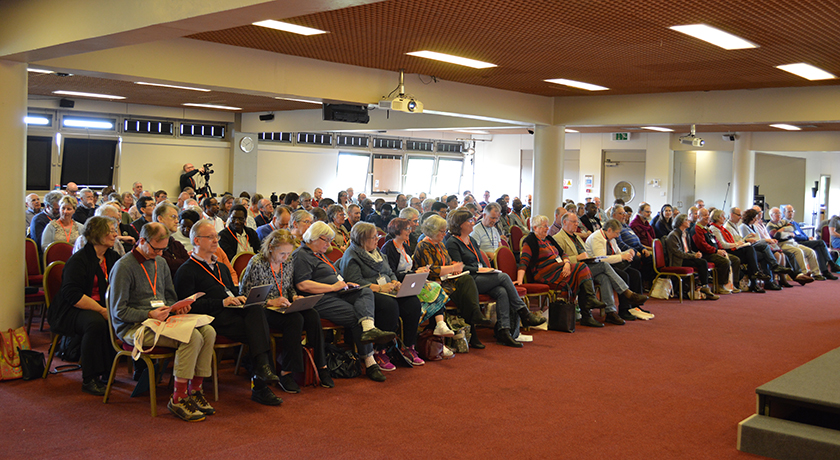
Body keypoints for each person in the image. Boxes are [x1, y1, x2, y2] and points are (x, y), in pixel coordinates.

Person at [109, 222, 217, 422]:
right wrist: (149, 314)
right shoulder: (124, 266)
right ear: (142, 241)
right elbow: (119, 311)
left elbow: (168, 297)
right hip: (134, 327)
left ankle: (195, 390)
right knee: (190, 336)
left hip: (161, 320)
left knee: (208, 331)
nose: (160, 253)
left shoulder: (161, 263)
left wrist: (177, 307)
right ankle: (178, 397)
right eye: (156, 248)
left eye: (163, 249)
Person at [175, 219, 283, 406]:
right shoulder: (186, 270)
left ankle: (261, 374)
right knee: (257, 331)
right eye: (210, 237)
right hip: (210, 318)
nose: (216, 240)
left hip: (230, 313)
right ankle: (260, 380)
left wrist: (238, 298)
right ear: (197, 241)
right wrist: (222, 302)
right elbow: (188, 306)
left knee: (256, 309)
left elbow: (229, 291)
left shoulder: (221, 267)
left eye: (216, 236)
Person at [293, 221, 395, 382]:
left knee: (365, 290)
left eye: (329, 240)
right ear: (313, 237)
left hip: (337, 291)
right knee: (357, 316)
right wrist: (333, 287)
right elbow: (302, 284)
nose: (329, 244)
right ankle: (370, 362)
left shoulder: (318, 254)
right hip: (320, 298)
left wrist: (344, 285)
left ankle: (369, 328)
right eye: (326, 240)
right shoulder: (301, 255)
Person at [239, 230, 334, 393]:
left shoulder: (288, 262)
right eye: (282, 253)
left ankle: (321, 365)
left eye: (288, 253)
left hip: (284, 305)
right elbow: (245, 296)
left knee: (312, 315)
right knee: (295, 319)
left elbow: (289, 287)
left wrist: (295, 297)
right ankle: (286, 373)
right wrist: (270, 301)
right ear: (270, 248)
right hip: (263, 310)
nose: (285, 257)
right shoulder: (257, 262)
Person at [446, 209, 546, 345]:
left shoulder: (472, 240)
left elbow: (479, 260)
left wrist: (486, 270)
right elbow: (459, 267)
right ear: (460, 224)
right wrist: (479, 269)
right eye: (469, 221)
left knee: (502, 292)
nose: (473, 223)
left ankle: (504, 331)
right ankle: (524, 312)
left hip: (481, 276)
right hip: (468, 280)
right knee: (504, 277)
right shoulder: (453, 242)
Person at [49, 217, 120, 395]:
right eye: (110, 231)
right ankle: (90, 378)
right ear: (97, 235)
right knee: (95, 323)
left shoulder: (113, 257)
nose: (115, 234)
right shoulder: (79, 260)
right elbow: (73, 295)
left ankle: (111, 371)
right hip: (72, 309)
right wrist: (103, 310)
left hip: (102, 307)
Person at [339, 222, 423, 368]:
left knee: (412, 302)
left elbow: (389, 272)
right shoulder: (351, 255)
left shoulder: (376, 251)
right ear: (362, 239)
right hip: (365, 294)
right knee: (389, 306)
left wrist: (396, 282)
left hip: (386, 289)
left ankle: (408, 346)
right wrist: (380, 287)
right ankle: (380, 350)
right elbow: (354, 281)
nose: (377, 240)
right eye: (373, 238)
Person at [414, 215, 492, 348]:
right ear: (432, 231)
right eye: (441, 231)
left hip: (447, 281)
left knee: (466, 281)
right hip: (433, 284)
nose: (444, 234)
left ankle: (474, 319)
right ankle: (473, 324)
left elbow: (448, 262)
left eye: (445, 231)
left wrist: (454, 267)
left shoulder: (440, 244)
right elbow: (431, 270)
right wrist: (452, 268)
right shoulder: (424, 245)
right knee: (464, 295)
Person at [517, 215, 606, 327]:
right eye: (544, 226)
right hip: (546, 274)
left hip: (560, 270)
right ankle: (588, 307)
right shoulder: (530, 241)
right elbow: (523, 261)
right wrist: (519, 280)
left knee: (580, 274)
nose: (547, 228)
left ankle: (588, 309)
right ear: (535, 227)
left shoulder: (549, 239)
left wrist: (567, 264)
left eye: (547, 226)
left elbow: (563, 254)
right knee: (581, 268)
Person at [557, 215, 650, 322]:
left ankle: (611, 311)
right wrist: (577, 258)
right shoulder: (558, 238)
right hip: (575, 269)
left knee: (607, 277)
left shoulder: (577, 237)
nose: (577, 224)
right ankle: (627, 293)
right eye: (574, 222)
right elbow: (561, 259)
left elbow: (612, 253)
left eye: (577, 222)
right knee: (609, 268)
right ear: (564, 222)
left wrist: (628, 252)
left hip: (588, 266)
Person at [380, 218, 453, 339]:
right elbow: (391, 273)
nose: (410, 231)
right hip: (397, 284)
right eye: (406, 229)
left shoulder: (405, 247)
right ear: (397, 230)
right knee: (435, 288)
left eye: (409, 228)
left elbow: (411, 269)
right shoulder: (388, 248)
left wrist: (421, 272)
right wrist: (415, 272)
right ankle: (433, 325)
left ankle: (437, 327)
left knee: (436, 287)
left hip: (409, 280)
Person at [708, 209, 771, 293]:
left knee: (759, 254)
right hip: (727, 250)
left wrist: (743, 241)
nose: (724, 218)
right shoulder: (716, 228)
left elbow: (738, 240)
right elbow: (723, 244)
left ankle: (757, 280)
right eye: (722, 216)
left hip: (734, 248)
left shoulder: (727, 227)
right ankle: (755, 275)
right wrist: (737, 244)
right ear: (717, 217)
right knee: (751, 252)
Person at [739, 208, 802, 288]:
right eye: (754, 217)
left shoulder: (753, 226)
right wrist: (766, 240)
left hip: (759, 245)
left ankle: (773, 280)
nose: (756, 219)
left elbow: (758, 239)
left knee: (774, 254)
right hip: (751, 247)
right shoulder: (743, 227)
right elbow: (749, 240)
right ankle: (774, 267)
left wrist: (766, 240)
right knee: (766, 247)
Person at [665, 214, 720, 300]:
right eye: (687, 220)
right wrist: (693, 256)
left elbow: (688, 249)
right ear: (681, 222)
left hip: (686, 257)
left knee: (702, 261)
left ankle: (704, 286)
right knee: (702, 262)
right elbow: (678, 253)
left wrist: (696, 254)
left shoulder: (685, 233)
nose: (689, 221)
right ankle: (704, 286)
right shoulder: (673, 235)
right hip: (679, 261)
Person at [767, 207, 826, 281]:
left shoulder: (783, 222)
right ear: (771, 215)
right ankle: (804, 274)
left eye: (779, 213)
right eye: (776, 213)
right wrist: (789, 233)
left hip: (793, 242)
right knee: (799, 251)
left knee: (811, 251)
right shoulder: (770, 225)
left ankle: (816, 273)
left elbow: (793, 228)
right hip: (782, 244)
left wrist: (783, 230)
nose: (779, 215)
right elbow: (777, 235)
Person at [693, 208, 742, 294]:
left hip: (714, 251)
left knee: (735, 260)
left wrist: (721, 250)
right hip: (705, 254)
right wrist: (716, 251)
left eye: (708, 214)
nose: (707, 217)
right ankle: (720, 286)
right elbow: (702, 245)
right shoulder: (697, 228)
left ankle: (733, 284)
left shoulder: (707, 228)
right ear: (698, 217)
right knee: (724, 261)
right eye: (704, 215)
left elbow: (716, 241)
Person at [153, 202, 190, 280]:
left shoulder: (177, 244)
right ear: (160, 218)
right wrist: (180, 262)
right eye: (173, 217)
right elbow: (164, 264)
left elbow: (189, 264)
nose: (177, 221)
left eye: (177, 218)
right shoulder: (152, 244)